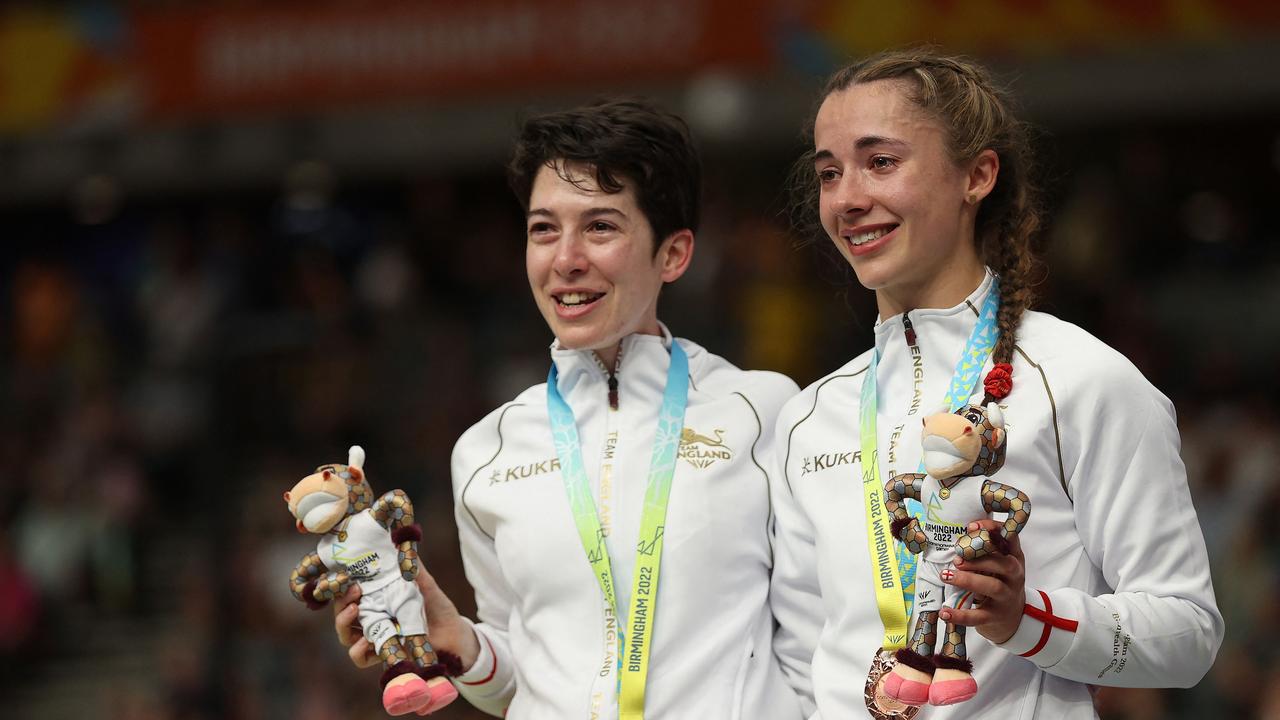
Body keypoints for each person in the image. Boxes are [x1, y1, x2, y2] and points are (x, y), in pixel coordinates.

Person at [770, 49, 1224, 719]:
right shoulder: (810, 417)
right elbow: (803, 666)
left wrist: (1025, 621)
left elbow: (1188, 634)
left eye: (881, 162)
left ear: (977, 175)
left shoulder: (1078, 380)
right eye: (829, 172)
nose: (849, 197)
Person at [334, 99, 804, 719]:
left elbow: (814, 644)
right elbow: (514, 682)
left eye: (600, 227)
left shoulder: (765, 410)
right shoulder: (485, 451)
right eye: (544, 229)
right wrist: (462, 643)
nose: (565, 259)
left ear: (674, 254)